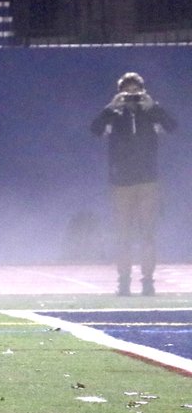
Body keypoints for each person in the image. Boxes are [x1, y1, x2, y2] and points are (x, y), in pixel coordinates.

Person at [89, 72, 176, 296]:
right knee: (123, 234)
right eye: (127, 91)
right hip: (121, 182)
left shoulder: (150, 113)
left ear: (143, 91)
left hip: (148, 180)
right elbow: (95, 129)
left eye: (136, 91)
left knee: (147, 232)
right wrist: (111, 107)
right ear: (120, 93)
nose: (132, 96)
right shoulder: (115, 115)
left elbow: (173, 126)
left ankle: (148, 281)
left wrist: (153, 106)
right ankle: (124, 281)